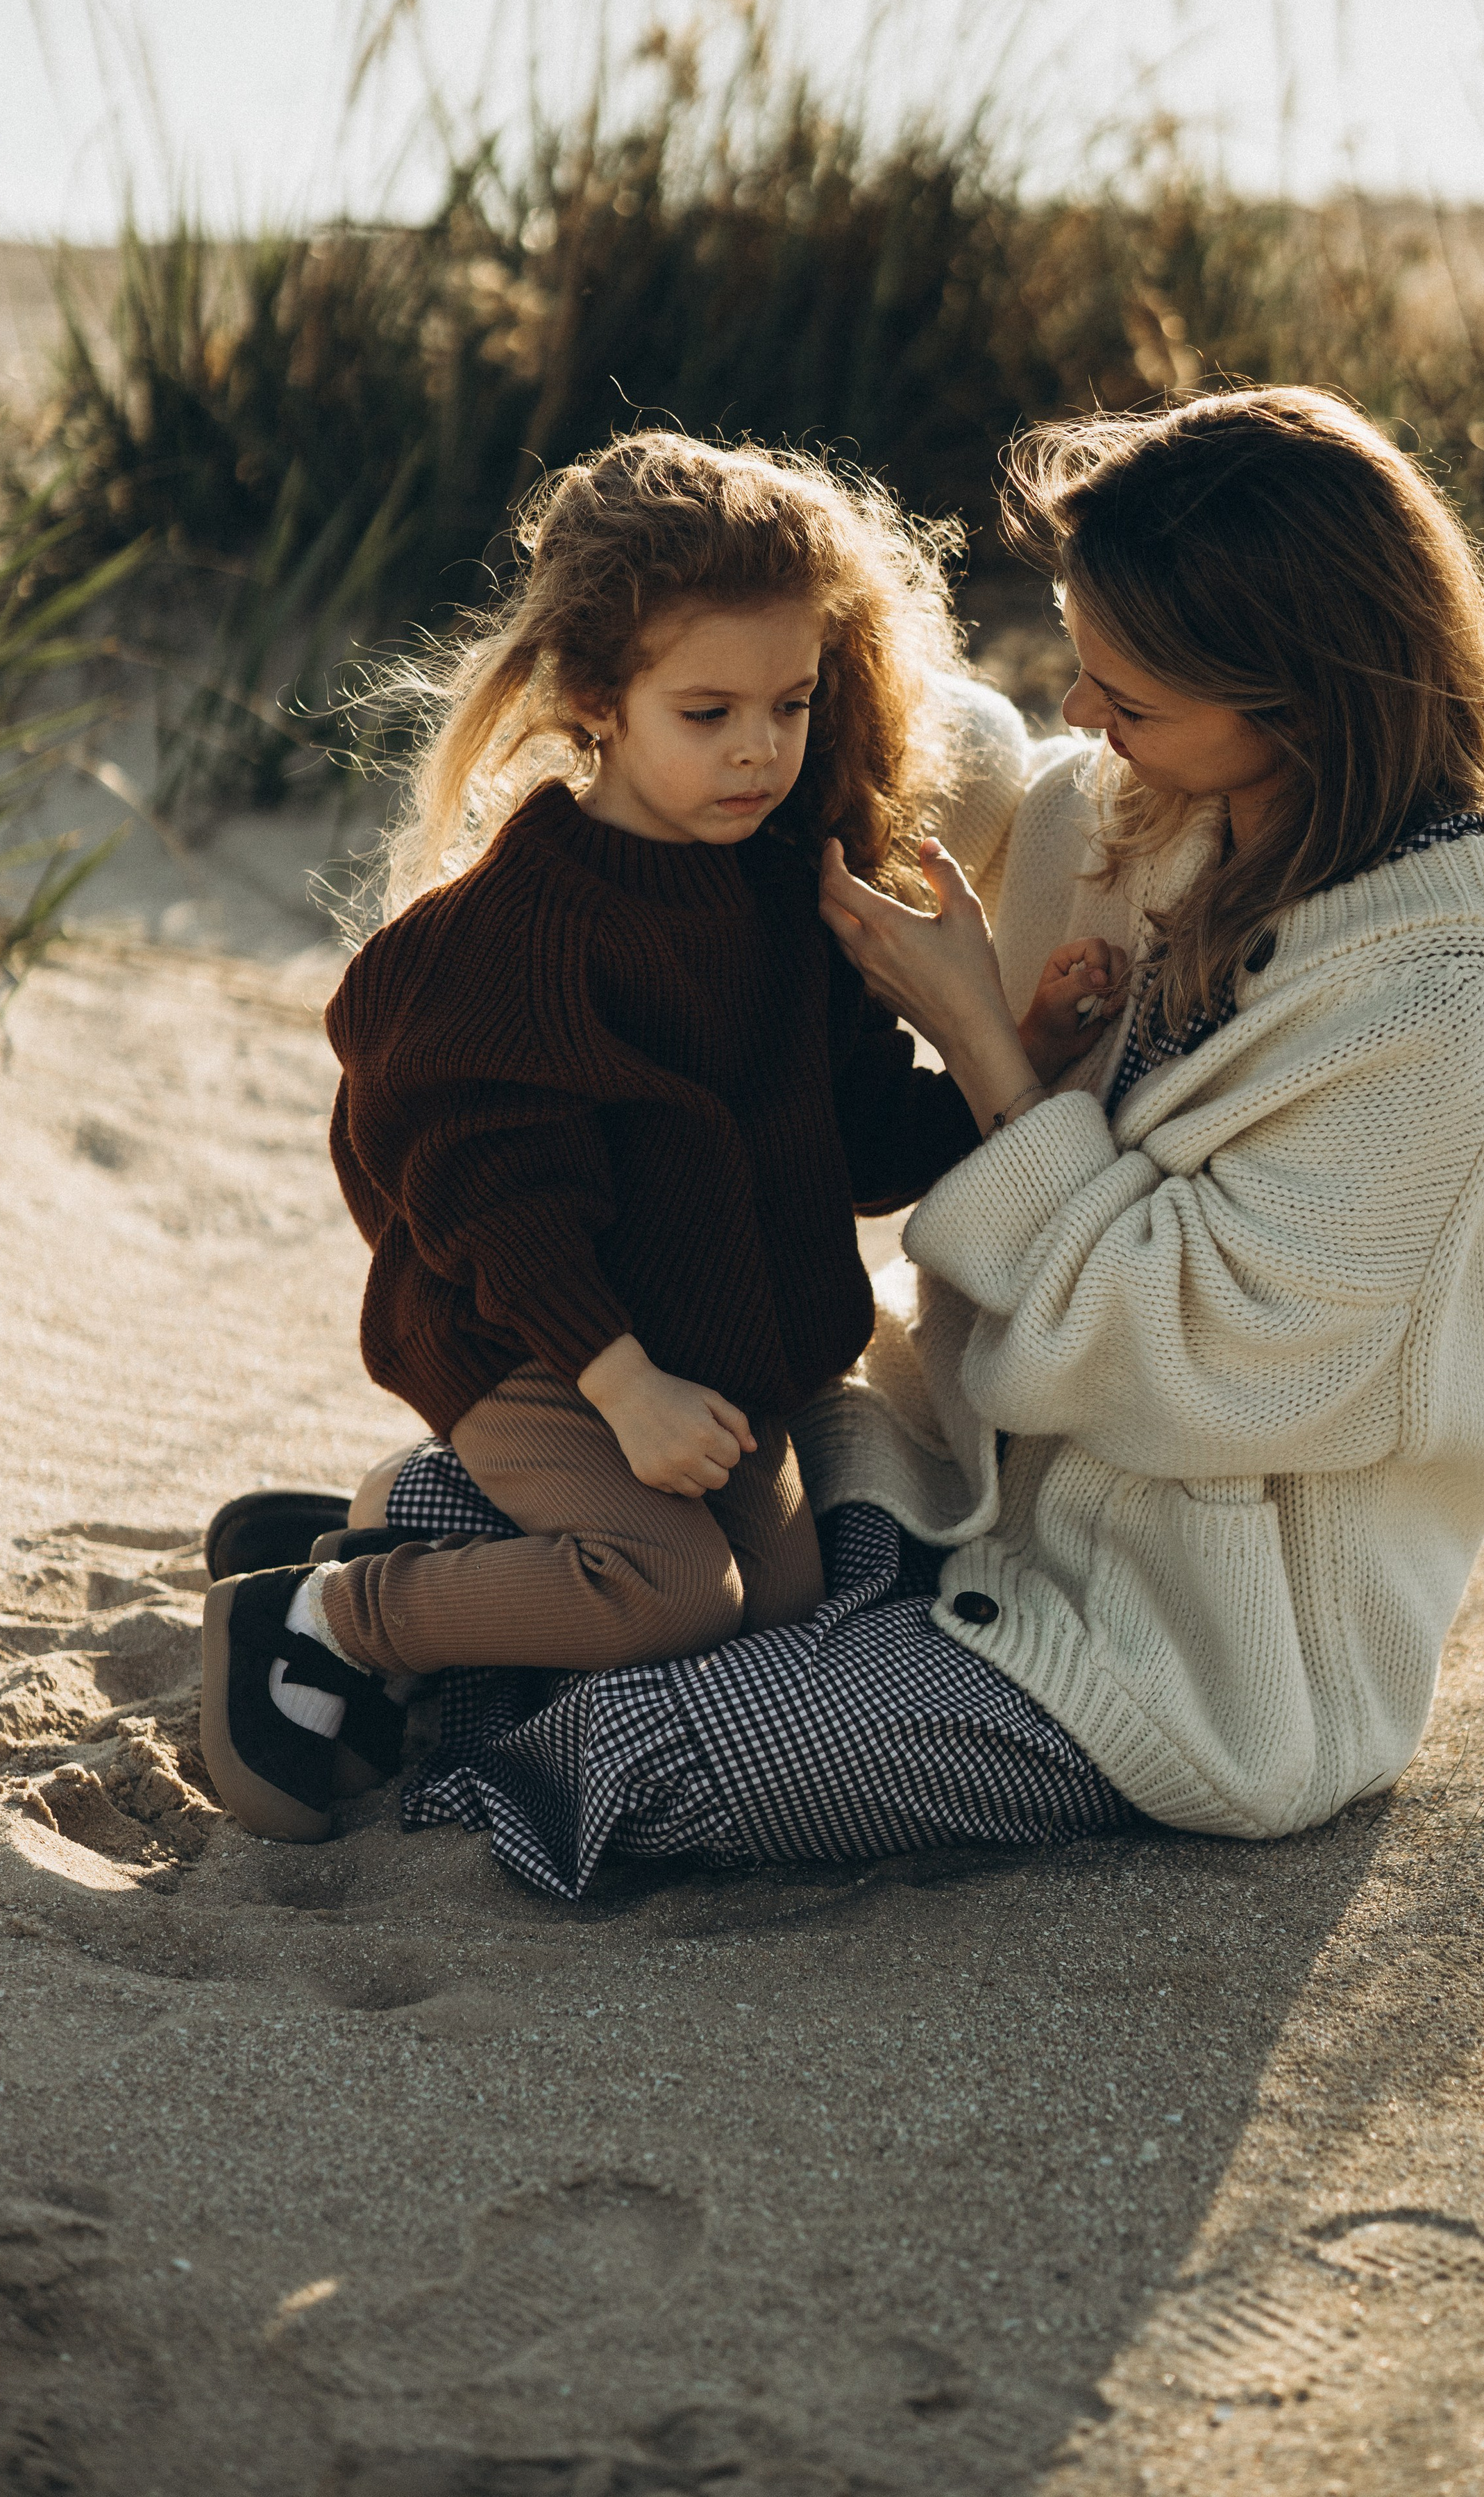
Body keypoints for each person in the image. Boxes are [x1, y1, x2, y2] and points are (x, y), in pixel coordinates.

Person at [365, 385, 1484, 1897]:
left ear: (1300, 696)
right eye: (1079, 662)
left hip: (1179, 1637)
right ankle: (397, 1619)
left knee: (646, 1754)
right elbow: (919, 734)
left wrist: (988, 1052)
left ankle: (392, 1675)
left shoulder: (1440, 1002)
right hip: (959, 1487)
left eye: (1126, 695)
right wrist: (738, 571)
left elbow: (1207, 1367)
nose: (1085, 716)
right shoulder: (1142, 800)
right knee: (568, 1496)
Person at [200, 430, 1079, 1843]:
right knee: (672, 1595)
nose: (757, 750)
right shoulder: (527, 933)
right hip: (541, 1339)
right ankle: (327, 1613)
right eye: (706, 711)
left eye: (789, 706)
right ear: (593, 701)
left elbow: (847, 1140)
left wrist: (1015, 1047)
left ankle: (431, 1534)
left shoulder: (784, 890)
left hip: (708, 1349)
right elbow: (492, 1203)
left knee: (780, 1606)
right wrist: (620, 1388)